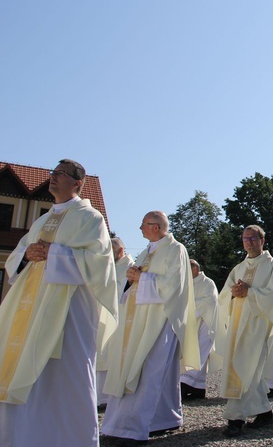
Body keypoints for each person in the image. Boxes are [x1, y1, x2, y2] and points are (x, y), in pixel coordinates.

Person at [0, 159, 119, 447]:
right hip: (31, 309)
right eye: (53, 172)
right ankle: (22, 437)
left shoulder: (91, 219)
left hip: (69, 313)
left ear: (78, 183)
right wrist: (28, 254)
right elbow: (17, 256)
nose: (53, 177)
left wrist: (55, 253)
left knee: (64, 377)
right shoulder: (41, 220)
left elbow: (99, 266)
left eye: (61, 174)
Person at [101, 211, 200, 445]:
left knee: (148, 372)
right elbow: (135, 281)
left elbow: (173, 285)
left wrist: (140, 278)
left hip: (160, 320)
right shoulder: (147, 251)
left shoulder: (176, 250)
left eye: (143, 224)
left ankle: (133, 429)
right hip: (137, 319)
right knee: (155, 374)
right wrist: (131, 278)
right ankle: (164, 419)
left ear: (155, 226)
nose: (140, 228)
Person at [217, 225, 273, 437]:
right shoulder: (238, 268)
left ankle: (235, 418)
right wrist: (233, 293)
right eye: (245, 238)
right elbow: (224, 295)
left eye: (253, 238)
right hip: (238, 324)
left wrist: (249, 292)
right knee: (251, 371)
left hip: (257, 325)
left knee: (245, 366)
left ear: (262, 240)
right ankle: (263, 412)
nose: (248, 242)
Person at [97, 237, 134, 409]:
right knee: (100, 353)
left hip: (120, 318)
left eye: (111, 249)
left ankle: (108, 396)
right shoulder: (106, 264)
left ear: (120, 251)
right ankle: (98, 396)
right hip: (101, 316)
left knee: (112, 354)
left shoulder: (130, 268)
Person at [180, 260, 219, 401]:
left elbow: (209, 302)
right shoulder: (186, 284)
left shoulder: (208, 283)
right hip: (190, 325)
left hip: (205, 325)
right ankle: (198, 389)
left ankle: (184, 385)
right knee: (191, 355)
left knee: (199, 355)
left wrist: (188, 311)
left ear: (195, 270)